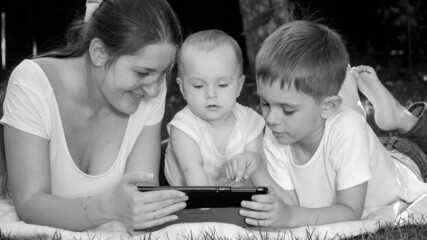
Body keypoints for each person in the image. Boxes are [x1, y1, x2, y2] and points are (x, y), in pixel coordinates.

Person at [0, 0, 189, 231]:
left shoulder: (148, 92)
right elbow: (30, 204)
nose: (155, 90)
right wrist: (107, 207)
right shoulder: (33, 83)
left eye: (163, 73)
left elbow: (141, 197)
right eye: (142, 72)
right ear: (99, 52)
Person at [234, 20, 427, 228]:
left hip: (404, 158)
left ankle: (399, 116)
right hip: (353, 148)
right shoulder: (276, 134)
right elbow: (290, 206)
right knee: (349, 127)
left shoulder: (347, 131)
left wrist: (290, 216)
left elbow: (350, 211)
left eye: (287, 110)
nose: (271, 119)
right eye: (264, 103)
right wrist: (257, 170)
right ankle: (348, 94)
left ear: (327, 107)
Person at [163, 30, 284, 191]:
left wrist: (250, 159)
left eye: (222, 85)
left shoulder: (248, 121)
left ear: (239, 86)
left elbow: (258, 164)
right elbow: (192, 170)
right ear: (183, 88)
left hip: (232, 192)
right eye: (199, 86)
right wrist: (207, 208)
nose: (211, 95)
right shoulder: (184, 127)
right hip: (187, 193)